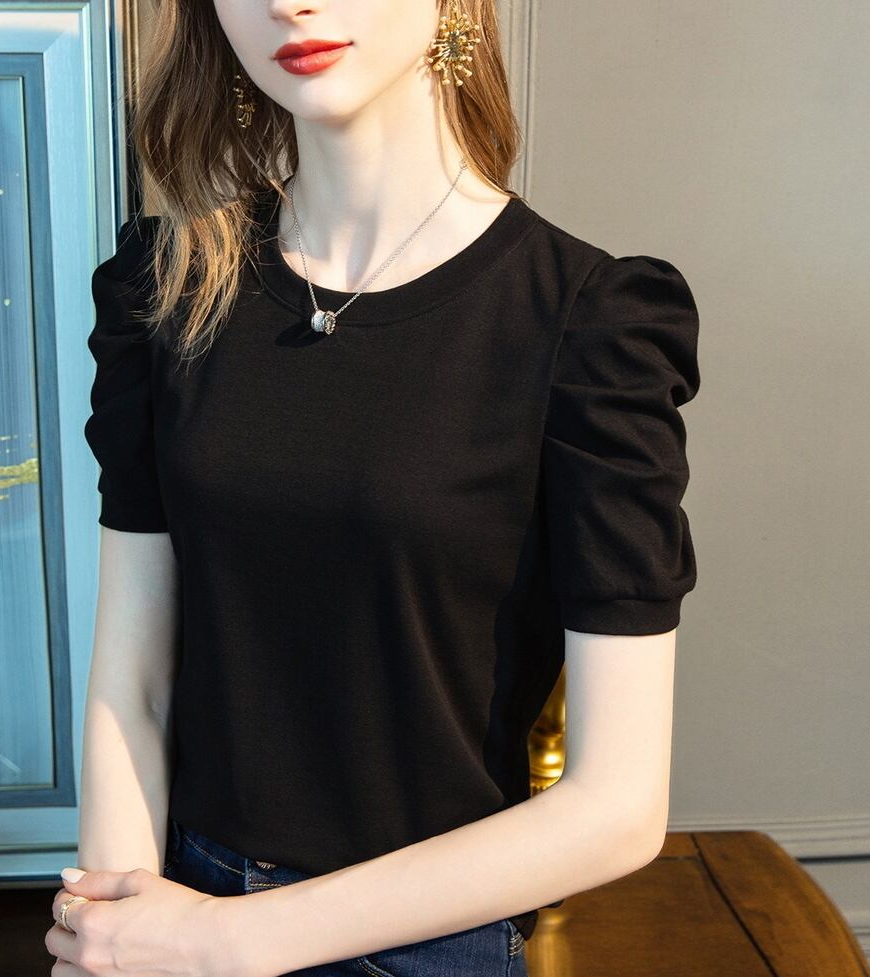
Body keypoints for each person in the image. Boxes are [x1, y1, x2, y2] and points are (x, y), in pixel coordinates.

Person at [46, 1, 700, 975]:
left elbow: (617, 806)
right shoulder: (168, 287)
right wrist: (114, 930)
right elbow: (131, 685)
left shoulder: (587, 323)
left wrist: (230, 943)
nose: (288, 2)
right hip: (170, 907)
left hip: (419, 944)